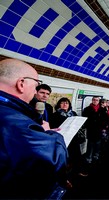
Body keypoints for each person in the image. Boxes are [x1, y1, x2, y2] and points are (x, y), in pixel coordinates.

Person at [0, 58, 68, 199]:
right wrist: (49, 133)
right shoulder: (15, 122)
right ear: (21, 83)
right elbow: (54, 160)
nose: (36, 91)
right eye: (37, 85)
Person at [82, 96, 102, 165]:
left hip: (99, 130)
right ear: (92, 100)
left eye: (96, 100)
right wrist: (88, 126)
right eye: (94, 100)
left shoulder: (102, 109)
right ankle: (88, 158)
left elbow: (105, 119)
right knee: (90, 145)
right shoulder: (87, 109)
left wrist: (102, 126)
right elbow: (84, 119)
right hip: (91, 130)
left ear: (98, 101)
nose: (95, 101)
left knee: (97, 144)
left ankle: (96, 156)